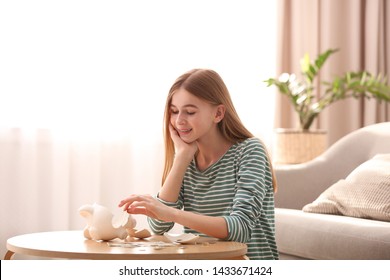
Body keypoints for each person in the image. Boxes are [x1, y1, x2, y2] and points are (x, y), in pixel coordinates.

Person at [118, 69, 279, 260]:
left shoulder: (250, 151)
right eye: (174, 111)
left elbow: (241, 228)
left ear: (218, 113)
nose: (179, 121)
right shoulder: (187, 159)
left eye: (190, 112)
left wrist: (171, 213)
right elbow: (159, 226)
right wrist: (181, 158)